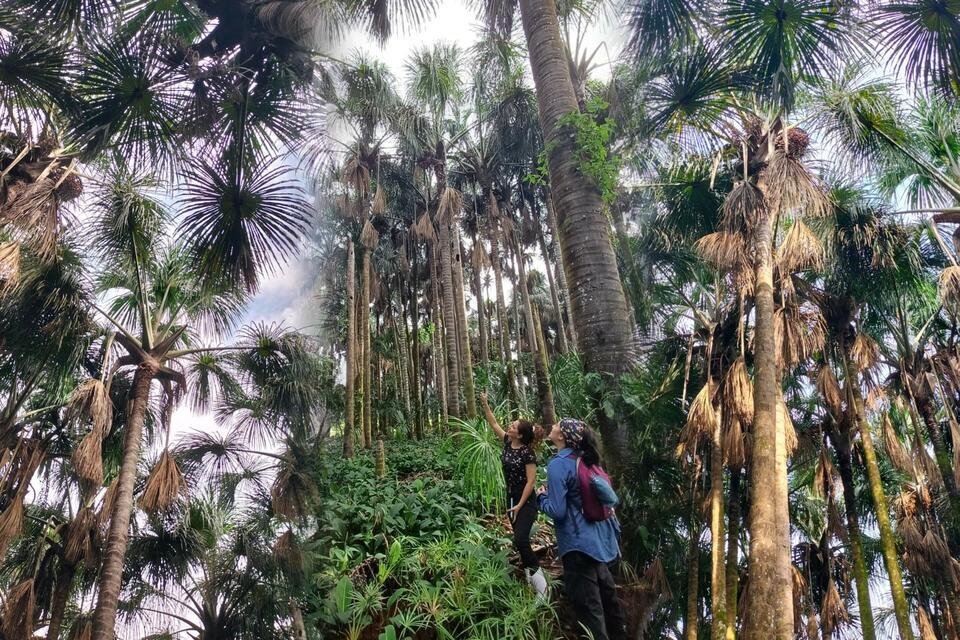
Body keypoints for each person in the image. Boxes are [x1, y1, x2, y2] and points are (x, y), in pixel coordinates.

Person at [537, 418, 627, 640]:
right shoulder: (587, 460)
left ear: (562, 437)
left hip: (576, 546)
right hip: (597, 544)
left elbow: (557, 511)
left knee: (590, 613)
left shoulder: (558, 464)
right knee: (609, 605)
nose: (553, 426)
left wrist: (541, 498)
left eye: (557, 425)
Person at [479, 391, 548, 598]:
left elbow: (531, 481)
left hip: (525, 501)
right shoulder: (508, 443)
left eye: (513, 426)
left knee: (521, 539)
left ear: (520, 434)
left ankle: (543, 588)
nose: (509, 426)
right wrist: (484, 403)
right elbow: (493, 423)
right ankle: (530, 580)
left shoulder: (527, 453)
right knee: (519, 541)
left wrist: (519, 504)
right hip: (511, 498)